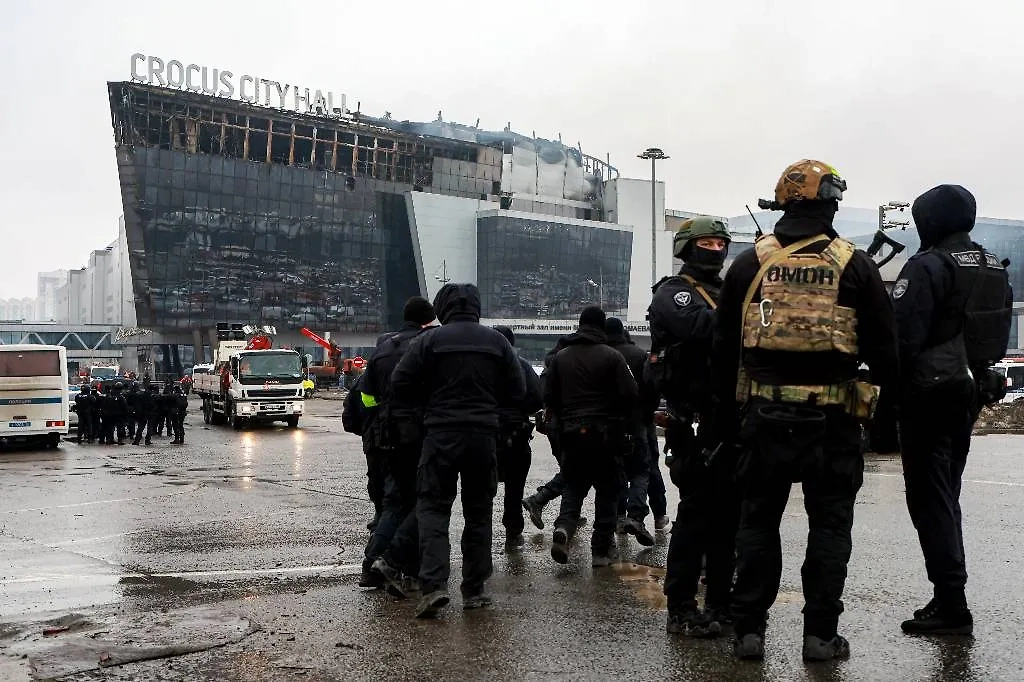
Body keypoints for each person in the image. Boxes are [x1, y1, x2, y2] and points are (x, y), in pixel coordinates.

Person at [713, 160, 898, 661]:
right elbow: (886, 352)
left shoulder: (749, 265)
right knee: (830, 528)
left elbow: (723, 351)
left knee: (756, 524)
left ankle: (748, 632)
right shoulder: (855, 265)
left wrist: (725, 424)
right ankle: (820, 636)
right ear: (830, 205)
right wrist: (883, 424)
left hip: (762, 420)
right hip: (833, 424)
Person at [892, 185, 1012, 635]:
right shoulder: (990, 265)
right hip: (970, 391)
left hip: (929, 394)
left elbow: (902, 337)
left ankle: (952, 603)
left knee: (930, 499)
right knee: (947, 492)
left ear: (931, 220)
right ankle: (948, 596)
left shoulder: (928, 266)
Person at [390, 283, 526, 618]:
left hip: (440, 435)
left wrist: (426, 408)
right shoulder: (497, 341)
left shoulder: (429, 340)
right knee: (479, 513)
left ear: (444, 308)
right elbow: (518, 389)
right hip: (483, 436)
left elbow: (400, 382)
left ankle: (434, 585)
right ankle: (475, 590)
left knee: (433, 509)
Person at [648, 215, 739, 638]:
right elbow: (699, 327)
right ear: (688, 248)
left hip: (731, 418)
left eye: (721, 245)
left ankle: (721, 603)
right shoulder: (675, 292)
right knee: (696, 515)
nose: (715, 251)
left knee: (730, 518)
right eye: (707, 243)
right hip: (694, 420)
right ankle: (681, 607)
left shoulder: (728, 293)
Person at [353, 297, 437, 593]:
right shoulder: (429, 345)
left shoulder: (383, 348)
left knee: (395, 502)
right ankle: (403, 566)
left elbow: (365, 396)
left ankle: (371, 566)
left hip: (389, 436)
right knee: (427, 502)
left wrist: (382, 414)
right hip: (423, 434)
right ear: (428, 320)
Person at [545, 306, 639, 567]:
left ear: (580, 324)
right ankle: (600, 550)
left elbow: (549, 396)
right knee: (608, 489)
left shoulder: (561, 357)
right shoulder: (612, 356)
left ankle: (564, 526)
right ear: (601, 326)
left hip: (571, 433)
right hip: (605, 433)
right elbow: (631, 394)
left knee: (574, 484)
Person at [605, 317, 657, 547]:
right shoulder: (638, 355)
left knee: (612, 474)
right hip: (635, 424)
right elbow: (651, 388)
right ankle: (635, 516)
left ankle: (615, 518)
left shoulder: (600, 354)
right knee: (640, 472)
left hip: (605, 425)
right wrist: (646, 416)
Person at [492, 325, 544, 548]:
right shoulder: (521, 365)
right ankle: (513, 531)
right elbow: (537, 398)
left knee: (480, 487)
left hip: (485, 429)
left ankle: (478, 533)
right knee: (514, 486)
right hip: (515, 432)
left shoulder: (480, 365)